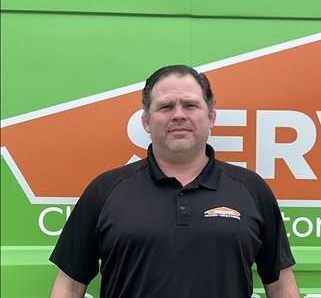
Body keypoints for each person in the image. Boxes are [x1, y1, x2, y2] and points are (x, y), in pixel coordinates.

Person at [50, 65, 300, 298]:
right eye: (166, 107)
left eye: (190, 105)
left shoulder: (251, 189)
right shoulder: (105, 190)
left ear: (211, 116)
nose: (179, 115)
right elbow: (70, 284)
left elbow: (280, 284)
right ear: (146, 121)